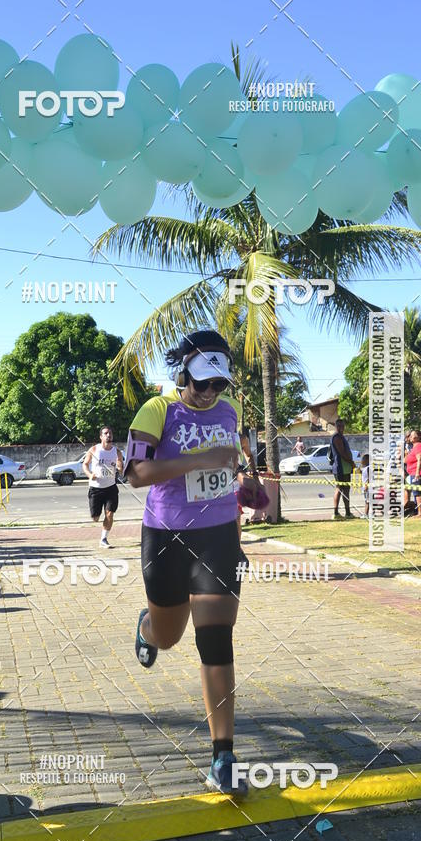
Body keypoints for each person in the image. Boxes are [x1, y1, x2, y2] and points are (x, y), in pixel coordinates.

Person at [125, 329, 248, 796]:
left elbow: (227, 472)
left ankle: (223, 756)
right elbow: (135, 474)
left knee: (216, 639)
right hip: (166, 536)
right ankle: (147, 629)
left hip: (217, 535)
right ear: (184, 375)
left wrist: (238, 527)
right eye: (202, 383)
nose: (210, 393)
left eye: (218, 384)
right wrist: (199, 459)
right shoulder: (157, 410)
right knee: (170, 636)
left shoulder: (230, 412)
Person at [83, 426, 124, 548]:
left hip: (111, 487)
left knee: (110, 514)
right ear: (101, 436)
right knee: (95, 518)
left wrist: (120, 467)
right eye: (106, 433)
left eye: (110, 433)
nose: (108, 435)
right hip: (96, 488)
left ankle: (103, 539)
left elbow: (121, 467)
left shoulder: (117, 452)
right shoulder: (94, 449)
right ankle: (96, 516)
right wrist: (90, 475)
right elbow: (85, 464)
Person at [330, 418, 355, 519]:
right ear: (336, 426)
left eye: (342, 426)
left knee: (345, 489)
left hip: (344, 468)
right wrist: (351, 462)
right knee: (341, 489)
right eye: (339, 426)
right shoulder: (336, 437)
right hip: (341, 468)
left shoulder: (341, 436)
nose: (341, 428)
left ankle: (347, 512)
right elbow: (342, 452)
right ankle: (339, 513)